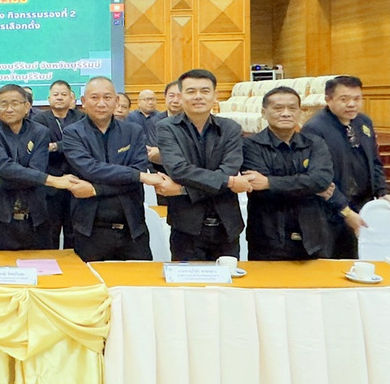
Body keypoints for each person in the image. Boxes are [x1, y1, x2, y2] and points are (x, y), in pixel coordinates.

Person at [61, 78, 162, 261]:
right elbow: (90, 169)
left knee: (141, 277)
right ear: (83, 102)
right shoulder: (72, 133)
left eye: (107, 97)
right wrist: (137, 176)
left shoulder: (134, 131)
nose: (101, 103)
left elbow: (137, 172)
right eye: (94, 98)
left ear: (116, 101)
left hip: (132, 228)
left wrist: (95, 189)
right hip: (89, 229)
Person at [154, 69, 250, 261]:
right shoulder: (167, 128)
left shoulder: (231, 128)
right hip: (186, 228)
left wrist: (183, 190)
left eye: (205, 91)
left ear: (215, 96)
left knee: (229, 280)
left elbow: (229, 169)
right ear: (181, 97)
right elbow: (178, 170)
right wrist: (229, 182)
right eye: (191, 91)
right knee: (186, 280)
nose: (198, 96)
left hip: (227, 226)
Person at [241, 86, 335, 260]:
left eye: (292, 108)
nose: (286, 113)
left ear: (300, 112)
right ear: (264, 112)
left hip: (313, 235)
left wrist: (269, 183)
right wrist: (310, 188)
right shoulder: (250, 145)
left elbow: (321, 180)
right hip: (268, 236)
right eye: (278, 108)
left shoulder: (315, 143)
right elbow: (260, 191)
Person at [0, 84, 75, 250]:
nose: (9, 109)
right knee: (1, 266)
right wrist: (50, 180)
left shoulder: (40, 132)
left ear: (27, 107)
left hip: (37, 219)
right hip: (1, 219)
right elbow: (4, 167)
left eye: (15, 103)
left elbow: (35, 171)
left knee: (42, 264)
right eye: (3, 104)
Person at [302, 75, 384, 259]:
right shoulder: (314, 128)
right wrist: (345, 210)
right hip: (330, 210)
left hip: (363, 204)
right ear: (328, 99)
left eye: (357, 98)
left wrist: (382, 192)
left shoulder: (364, 122)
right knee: (335, 261)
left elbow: (374, 160)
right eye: (344, 99)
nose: (352, 104)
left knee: (361, 258)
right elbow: (319, 178)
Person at [33, 80, 85, 248]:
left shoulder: (81, 118)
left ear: (71, 98)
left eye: (64, 94)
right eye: (56, 95)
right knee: (50, 231)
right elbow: (40, 148)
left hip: (77, 179)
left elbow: (82, 144)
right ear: (49, 98)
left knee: (74, 231)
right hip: (51, 181)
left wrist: (56, 146)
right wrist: (67, 146)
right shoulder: (39, 119)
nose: (60, 98)